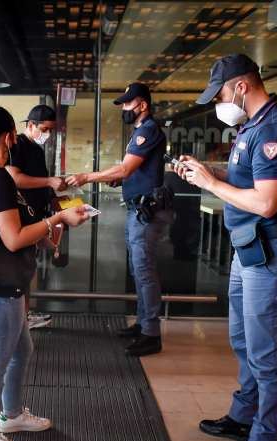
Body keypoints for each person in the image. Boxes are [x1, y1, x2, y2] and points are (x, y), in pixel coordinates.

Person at [175, 54, 277, 441]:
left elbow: (267, 202)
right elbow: (247, 179)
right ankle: (243, 416)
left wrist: (212, 185)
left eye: (221, 94)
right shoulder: (251, 126)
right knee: (243, 340)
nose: (220, 103)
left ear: (242, 87)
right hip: (247, 249)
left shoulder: (273, 128)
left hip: (270, 254)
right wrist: (206, 171)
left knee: (266, 355)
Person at [0, 95, 89, 441]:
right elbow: (13, 238)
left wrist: (51, 227)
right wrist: (57, 221)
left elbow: (15, 227)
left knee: (21, 349)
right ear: (9, 137)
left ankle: (13, 415)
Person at [67, 82, 172, 357]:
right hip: (137, 210)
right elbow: (134, 172)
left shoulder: (147, 130)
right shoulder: (139, 131)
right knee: (139, 270)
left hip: (146, 213)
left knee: (144, 271)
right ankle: (143, 324)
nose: (124, 108)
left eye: (128, 103)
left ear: (142, 105)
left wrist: (87, 177)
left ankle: (151, 334)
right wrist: (117, 180)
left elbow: (126, 168)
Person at [5, 104, 65, 329]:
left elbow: (39, 182)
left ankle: (25, 316)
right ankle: (18, 318)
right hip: (20, 219)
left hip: (36, 217)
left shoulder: (37, 150)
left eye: (51, 130)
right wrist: (49, 182)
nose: (48, 135)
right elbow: (16, 179)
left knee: (28, 269)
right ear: (31, 125)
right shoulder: (17, 145)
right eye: (45, 129)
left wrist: (54, 199)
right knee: (20, 270)